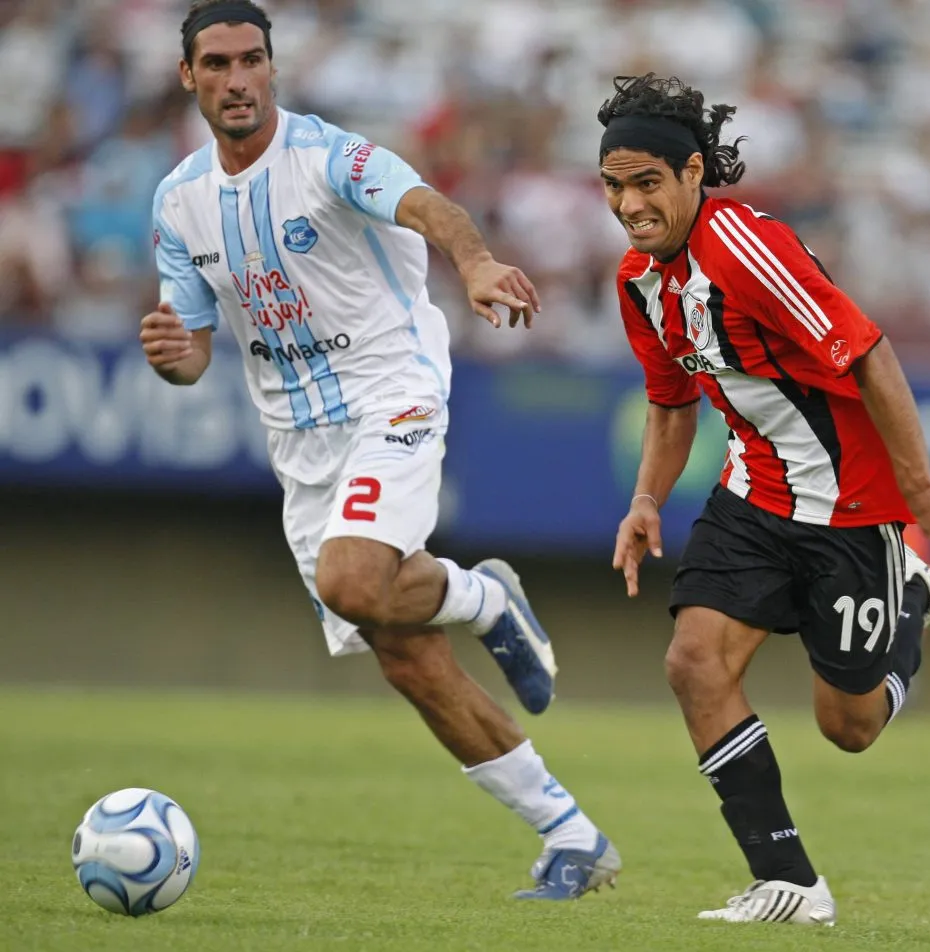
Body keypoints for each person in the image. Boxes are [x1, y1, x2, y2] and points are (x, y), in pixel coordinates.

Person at [140, 0, 620, 900]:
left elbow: (430, 206)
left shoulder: (332, 156)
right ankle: (573, 836)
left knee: (354, 583)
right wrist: (176, 357)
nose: (237, 79)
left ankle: (480, 596)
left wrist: (474, 264)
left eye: (252, 61)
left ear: (274, 69)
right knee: (405, 655)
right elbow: (194, 346)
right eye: (216, 65)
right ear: (188, 77)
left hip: (390, 391)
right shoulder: (177, 205)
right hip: (301, 442)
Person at [599, 74, 930, 925]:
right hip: (751, 494)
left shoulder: (744, 245)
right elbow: (671, 404)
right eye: (614, 186)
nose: (628, 204)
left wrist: (917, 489)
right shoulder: (639, 282)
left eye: (646, 183)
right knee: (692, 661)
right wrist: (646, 500)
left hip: (848, 507)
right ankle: (789, 881)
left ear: (693, 174)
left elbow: (870, 353)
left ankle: (908, 590)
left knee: (848, 727)